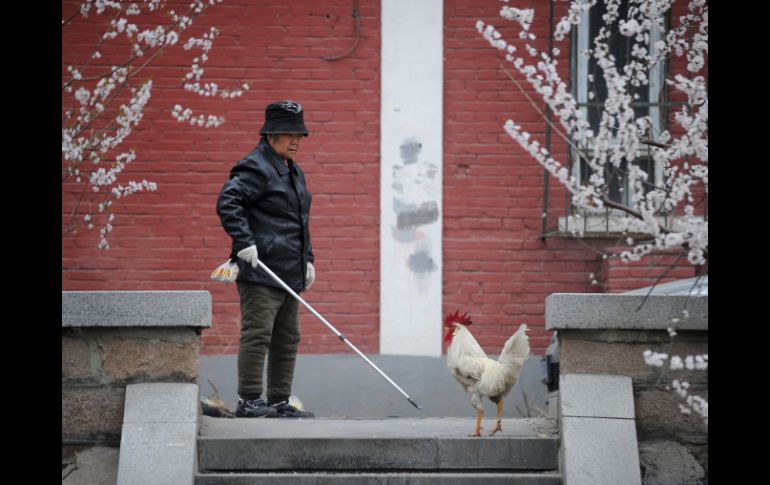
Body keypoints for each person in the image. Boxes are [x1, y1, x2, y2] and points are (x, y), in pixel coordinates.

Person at [216, 100, 316, 418]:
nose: (295, 141)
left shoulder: (292, 170)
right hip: (261, 268)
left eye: (299, 134)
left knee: (288, 337)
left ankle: (278, 401)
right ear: (270, 134)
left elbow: (300, 219)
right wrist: (244, 243)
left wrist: (308, 259)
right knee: (259, 333)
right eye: (289, 134)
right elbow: (228, 201)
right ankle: (249, 400)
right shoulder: (256, 166)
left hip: (290, 270)